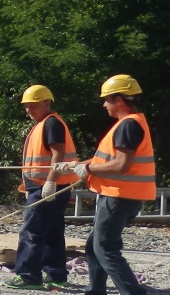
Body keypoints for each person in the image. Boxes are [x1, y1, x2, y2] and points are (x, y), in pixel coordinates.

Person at [55, 75, 156, 295]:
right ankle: (95, 290)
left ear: (118, 99)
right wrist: (76, 165)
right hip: (119, 195)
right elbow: (105, 159)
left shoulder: (128, 125)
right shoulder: (129, 123)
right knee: (94, 245)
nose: (103, 105)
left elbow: (121, 164)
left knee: (105, 248)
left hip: (119, 196)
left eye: (106, 100)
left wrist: (88, 170)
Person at [5, 85, 80, 290]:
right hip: (49, 186)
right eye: (27, 106)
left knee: (32, 232)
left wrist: (50, 182)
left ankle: (28, 275)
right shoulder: (44, 124)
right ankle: (56, 274)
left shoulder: (51, 123)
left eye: (33, 105)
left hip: (47, 186)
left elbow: (59, 154)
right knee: (52, 232)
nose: (29, 110)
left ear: (47, 102)